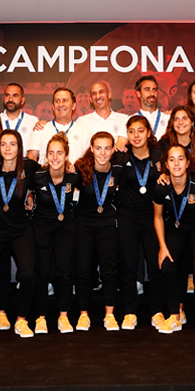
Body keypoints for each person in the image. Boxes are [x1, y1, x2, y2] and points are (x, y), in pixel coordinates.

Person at [0, 130, 40, 338]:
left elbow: (49, 175)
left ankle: (21, 320)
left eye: (12, 144)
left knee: (29, 274)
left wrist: (31, 193)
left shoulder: (29, 167)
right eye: (3, 144)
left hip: (20, 230)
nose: (8, 148)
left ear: (19, 147)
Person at [153, 144, 195, 335]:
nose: (176, 163)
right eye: (172, 159)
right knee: (168, 265)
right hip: (175, 230)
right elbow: (157, 217)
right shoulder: (160, 187)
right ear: (166, 164)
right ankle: (174, 317)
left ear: (188, 163)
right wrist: (162, 247)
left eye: (181, 159)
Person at [113, 116, 164, 330]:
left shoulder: (159, 156)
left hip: (152, 217)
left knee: (155, 266)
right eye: (131, 131)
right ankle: (130, 312)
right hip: (127, 217)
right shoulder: (121, 156)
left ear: (149, 133)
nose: (136, 136)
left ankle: (157, 312)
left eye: (140, 131)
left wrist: (165, 176)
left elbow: (170, 174)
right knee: (128, 266)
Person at [74, 132, 124, 332]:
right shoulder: (80, 169)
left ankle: (109, 315)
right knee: (83, 269)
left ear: (113, 150)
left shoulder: (118, 170)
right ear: (92, 148)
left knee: (109, 269)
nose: (102, 153)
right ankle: (83, 314)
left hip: (107, 224)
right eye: (98, 148)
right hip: (83, 225)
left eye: (107, 148)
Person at [31, 133, 81, 334]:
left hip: (65, 228)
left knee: (64, 272)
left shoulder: (74, 177)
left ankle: (63, 316)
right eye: (51, 153)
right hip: (42, 228)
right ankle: (41, 317)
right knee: (41, 273)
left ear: (66, 155)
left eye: (59, 153)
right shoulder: (37, 177)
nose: (55, 157)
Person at [28, 88, 92, 163]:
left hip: (75, 174)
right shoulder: (41, 129)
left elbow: (89, 161)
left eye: (65, 100)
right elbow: (31, 157)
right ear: (53, 107)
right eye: (57, 101)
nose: (61, 104)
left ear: (74, 106)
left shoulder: (85, 132)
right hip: (47, 174)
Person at [158, 105, 195, 173]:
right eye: (176, 119)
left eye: (185, 118)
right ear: (172, 123)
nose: (180, 122)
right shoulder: (164, 144)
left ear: (192, 123)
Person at [76, 81, 130, 148]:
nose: (98, 96)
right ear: (91, 99)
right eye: (94, 94)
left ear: (109, 94)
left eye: (101, 92)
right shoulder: (82, 122)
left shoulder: (124, 120)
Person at [0, 83, 40, 155]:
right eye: (7, 95)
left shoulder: (33, 121)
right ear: (3, 98)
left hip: (25, 165)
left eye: (15, 96)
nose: (10, 99)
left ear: (22, 100)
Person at [135, 75, 170, 140]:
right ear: (138, 94)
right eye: (147, 89)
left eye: (154, 90)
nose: (152, 93)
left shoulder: (168, 118)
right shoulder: (130, 120)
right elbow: (121, 143)